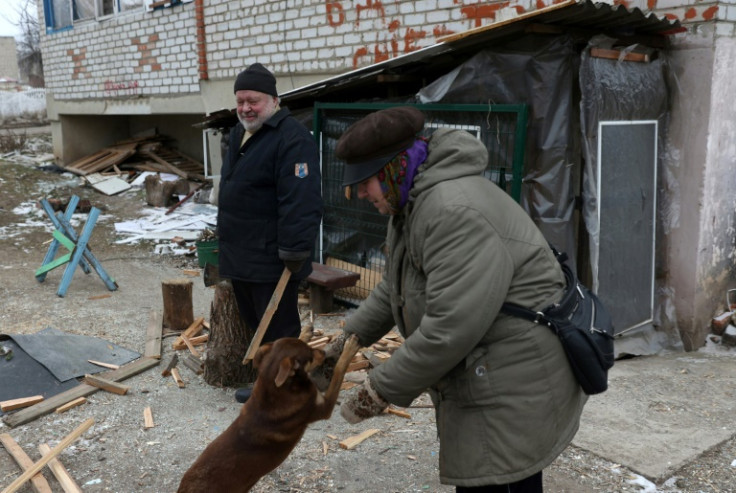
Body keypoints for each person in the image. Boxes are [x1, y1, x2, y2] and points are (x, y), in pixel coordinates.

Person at [319, 106, 587, 492]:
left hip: (514, 372)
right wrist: (348, 341)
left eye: (366, 181)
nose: (359, 193)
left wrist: (379, 389)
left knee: (499, 477)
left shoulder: (450, 211)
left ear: (394, 168)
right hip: (490, 363)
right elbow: (395, 286)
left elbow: (450, 328)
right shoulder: (411, 201)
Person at [217, 63, 323, 403]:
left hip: (271, 256)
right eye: (241, 100)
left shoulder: (292, 139)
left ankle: (290, 390)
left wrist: (294, 249)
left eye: (254, 100)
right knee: (255, 324)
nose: (246, 107)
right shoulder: (240, 133)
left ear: (274, 100)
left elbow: (301, 199)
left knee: (279, 327)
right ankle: (269, 385)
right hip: (242, 252)